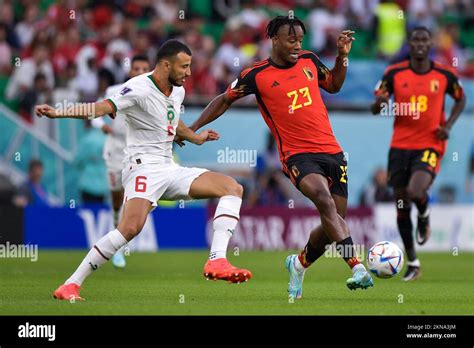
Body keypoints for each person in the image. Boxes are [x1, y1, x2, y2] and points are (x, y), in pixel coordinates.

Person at [35, 40, 251, 301]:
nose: (189, 73)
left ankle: (217, 260)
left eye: (190, 66)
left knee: (232, 187)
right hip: (142, 169)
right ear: (166, 64)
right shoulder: (137, 88)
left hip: (168, 167)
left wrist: (195, 137)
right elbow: (100, 108)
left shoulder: (176, 91)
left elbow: (171, 121)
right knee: (130, 229)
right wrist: (58, 113)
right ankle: (70, 284)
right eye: (184, 67)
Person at [186, 16, 374, 298]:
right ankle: (357, 266)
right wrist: (192, 129)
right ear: (274, 39)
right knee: (324, 201)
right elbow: (224, 99)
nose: (297, 45)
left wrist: (342, 57)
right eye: (291, 40)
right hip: (297, 156)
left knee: (333, 220)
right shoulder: (256, 75)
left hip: (332, 152)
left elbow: (333, 85)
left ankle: (298, 265)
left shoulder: (309, 60)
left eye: (300, 39)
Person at [371, 27, 466, 281]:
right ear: (409, 44)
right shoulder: (394, 73)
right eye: (416, 40)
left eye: (425, 40)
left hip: (430, 144)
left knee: (415, 192)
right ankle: (413, 262)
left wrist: (448, 126)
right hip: (400, 147)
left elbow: (460, 99)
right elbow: (377, 103)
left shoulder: (444, 74)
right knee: (401, 206)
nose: (420, 44)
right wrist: (379, 104)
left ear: (431, 43)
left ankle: (423, 215)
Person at [91, 55, 151, 268]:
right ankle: (117, 230)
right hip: (116, 150)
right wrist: (102, 126)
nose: (140, 71)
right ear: (130, 71)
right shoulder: (114, 91)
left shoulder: (154, 93)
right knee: (117, 198)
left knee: (135, 194)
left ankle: (121, 242)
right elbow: (94, 113)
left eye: (145, 68)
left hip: (139, 152)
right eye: (137, 68)